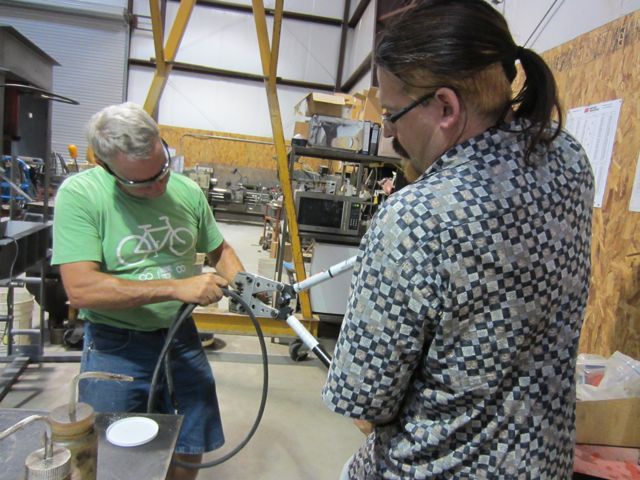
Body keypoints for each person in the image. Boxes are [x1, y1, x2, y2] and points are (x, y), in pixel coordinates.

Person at [322, 1, 595, 478]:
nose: (389, 130)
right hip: (544, 463)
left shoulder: (415, 218)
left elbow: (363, 398)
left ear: (445, 107)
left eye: (393, 114)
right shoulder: (568, 158)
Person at [52, 102, 245, 480]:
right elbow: (82, 290)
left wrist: (247, 284)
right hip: (116, 348)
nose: (160, 185)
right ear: (107, 167)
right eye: (143, 182)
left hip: (181, 340)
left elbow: (218, 249)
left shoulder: (186, 191)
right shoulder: (82, 196)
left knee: (190, 442)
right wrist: (177, 288)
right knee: (112, 457)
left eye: (163, 169)